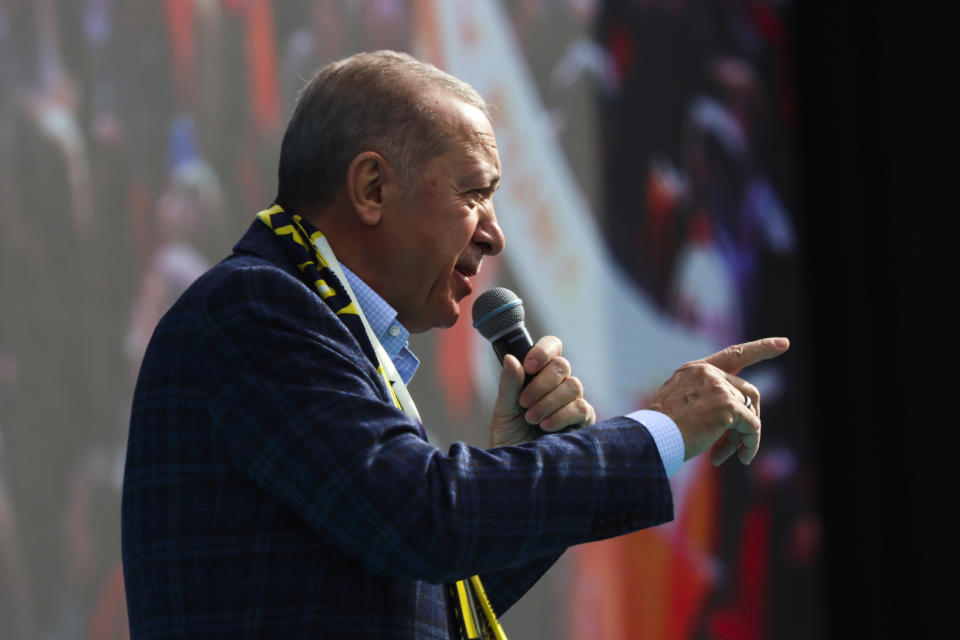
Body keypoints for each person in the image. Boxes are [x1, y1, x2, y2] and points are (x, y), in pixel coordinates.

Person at [121, 50, 788, 639]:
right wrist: (658, 430)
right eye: (475, 193)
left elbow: (421, 601)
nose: (495, 235)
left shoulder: (315, 322)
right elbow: (422, 519)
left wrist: (529, 463)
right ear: (373, 188)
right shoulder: (256, 307)